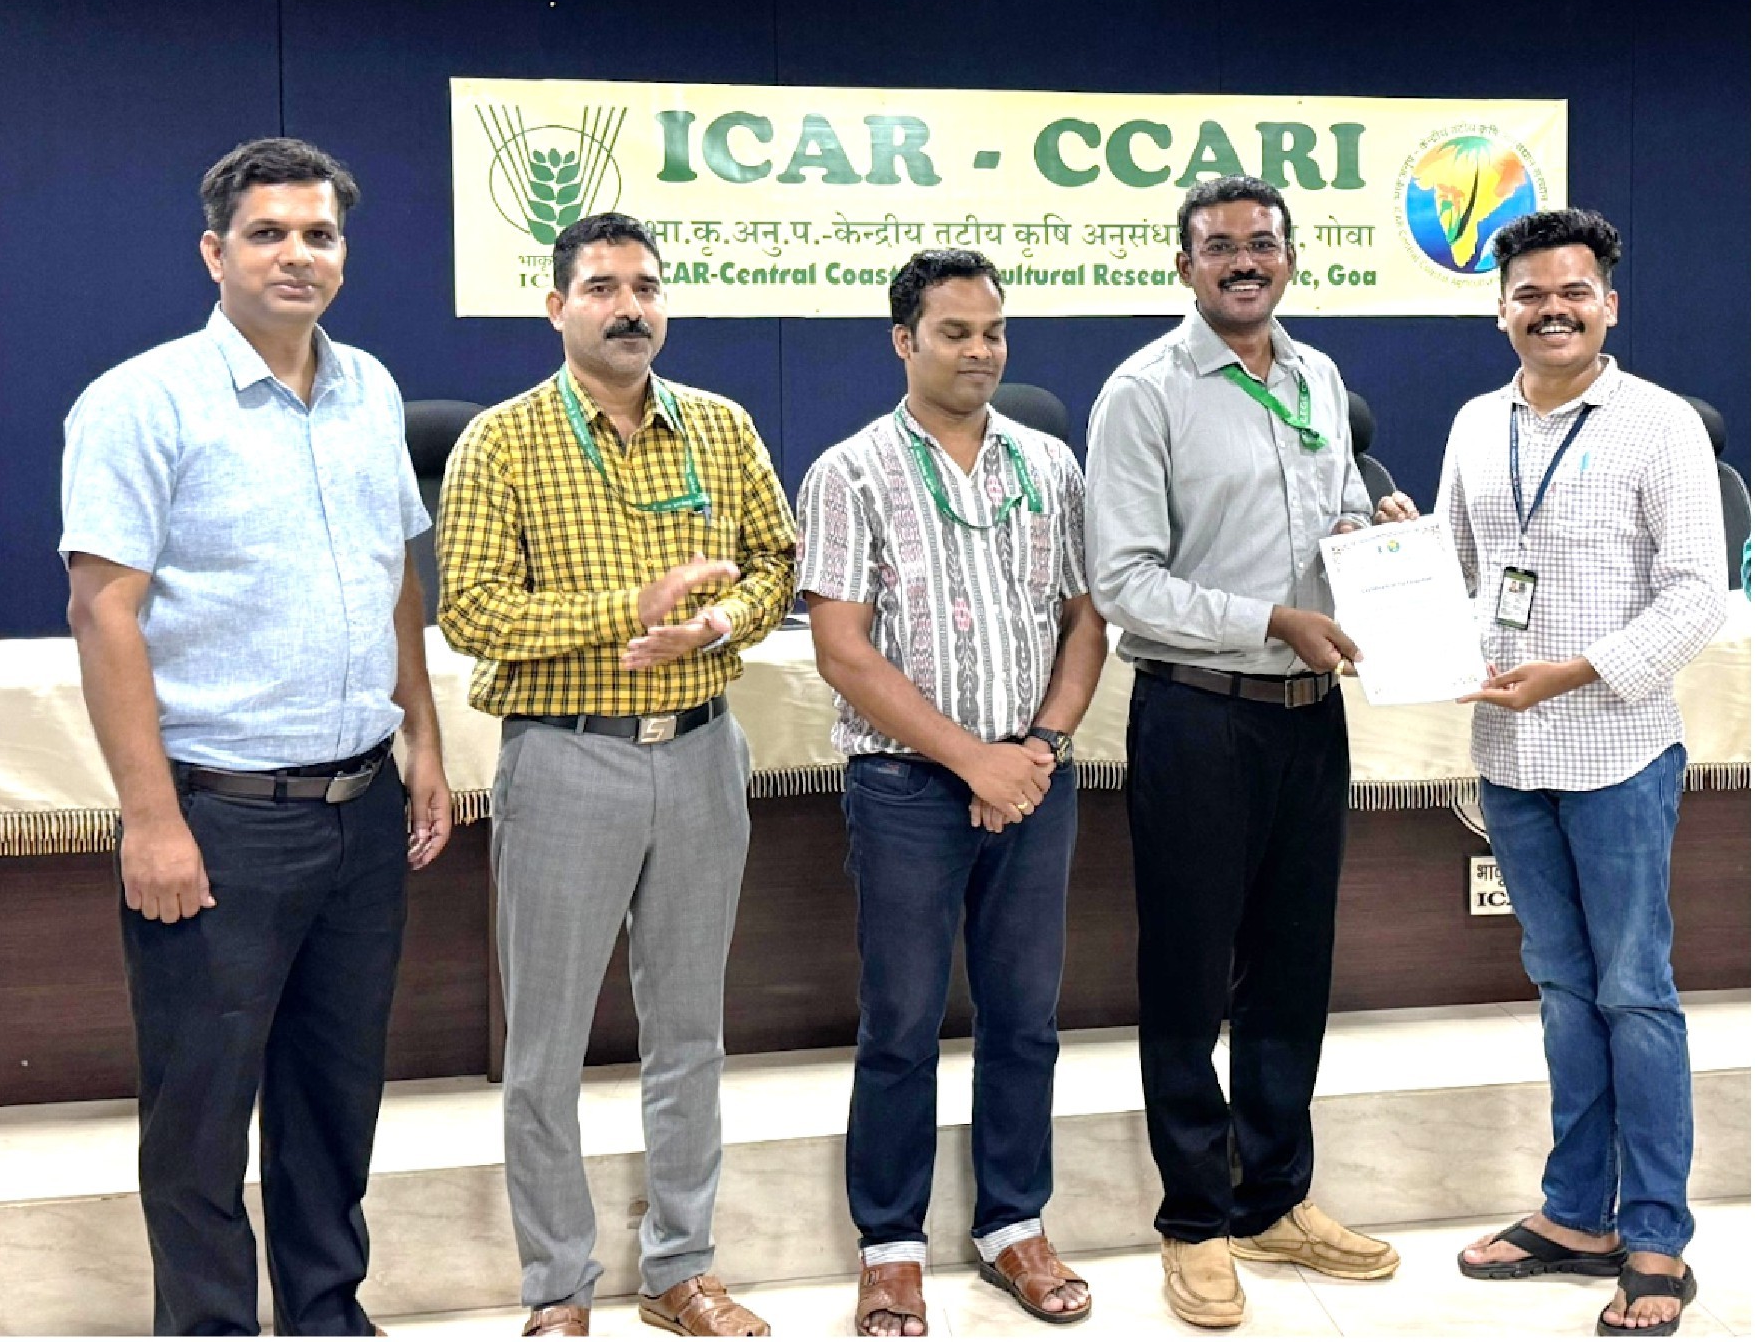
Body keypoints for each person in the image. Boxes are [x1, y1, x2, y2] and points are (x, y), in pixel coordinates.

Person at [60, 137, 452, 1336]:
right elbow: (102, 610)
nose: (297, 254)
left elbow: (395, 577)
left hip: (360, 807)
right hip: (220, 816)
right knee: (201, 1109)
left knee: (334, 1094)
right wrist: (151, 819)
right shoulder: (141, 402)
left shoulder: (370, 389)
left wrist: (424, 742)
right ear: (213, 252)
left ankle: (328, 1311)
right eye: (268, 232)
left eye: (319, 233)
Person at [436, 212, 793, 1339]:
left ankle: (680, 1269)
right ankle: (557, 1285)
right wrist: (625, 611)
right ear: (557, 307)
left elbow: (777, 562)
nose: (629, 306)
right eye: (601, 287)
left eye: (645, 286)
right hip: (565, 757)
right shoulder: (501, 441)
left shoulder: (721, 427)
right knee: (544, 1045)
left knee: (689, 1030)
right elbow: (471, 611)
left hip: (701, 751)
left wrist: (718, 623)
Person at [1084, 175, 1415, 1330]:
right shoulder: (1142, 393)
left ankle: (1272, 1197)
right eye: (1217, 245)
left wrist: (1373, 541)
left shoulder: (1316, 376)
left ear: (1288, 257)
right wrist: (1268, 619)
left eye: (1260, 243)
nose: (1242, 260)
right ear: (1182, 266)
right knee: (1186, 975)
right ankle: (1193, 1219)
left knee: (1289, 967)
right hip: (1196, 713)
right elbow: (1123, 582)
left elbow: (1322, 522)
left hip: (1305, 715)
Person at [797, 249, 1109, 1337]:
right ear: (904, 341)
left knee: (1024, 1018)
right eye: (954, 332)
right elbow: (842, 650)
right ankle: (890, 1247)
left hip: (1034, 780)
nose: (980, 351)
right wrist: (973, 760)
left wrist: (1036, 747)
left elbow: (1084, 618)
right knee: (900, 1020)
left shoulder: (1050, 464)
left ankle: (1013, 1225)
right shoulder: (849, 471)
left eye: (993, 331)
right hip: (906, 789)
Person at [1441, 209, 1724, 1337]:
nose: (1549, 309)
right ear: (1501, 309)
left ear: (1608, 303)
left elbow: (1695, 595)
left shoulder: (1659, 424)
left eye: (1572, 292)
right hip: (1510, 757)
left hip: (1616, 752)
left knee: (1632, 993)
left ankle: (1654, 1236)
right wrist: (1404, 572)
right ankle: (1574, 1215)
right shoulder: (1475, 423)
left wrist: (1573, 674)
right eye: (1529, 294)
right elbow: (1462, 573)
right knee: (1562, 989)